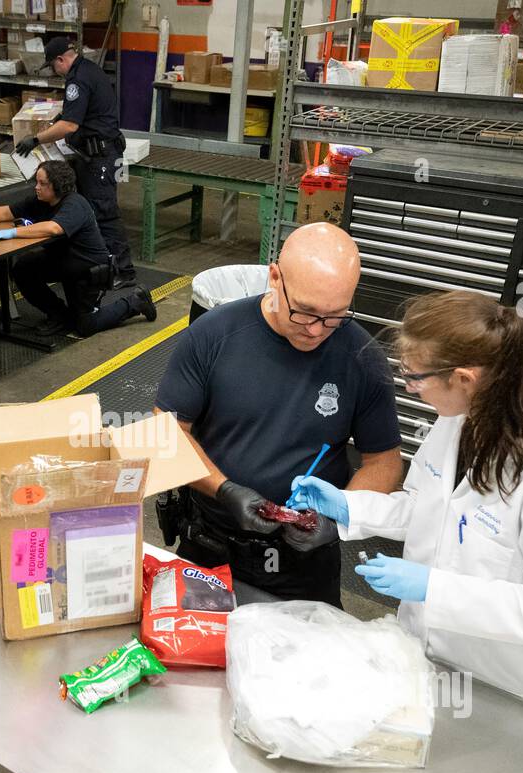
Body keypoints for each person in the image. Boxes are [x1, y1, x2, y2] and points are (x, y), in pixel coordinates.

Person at [290, 290, 523, 729]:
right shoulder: (456, 423)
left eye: (416, 378)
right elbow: (428, 511)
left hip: (520, 697)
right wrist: (348, 505)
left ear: (465, 379)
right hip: (434, 663)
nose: (410, 388)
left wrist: (435, 588)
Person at [154, 222, 403, 606]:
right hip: (211, 548)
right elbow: (165, 432)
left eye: (335, 316)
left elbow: (384, 462)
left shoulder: (361, 357)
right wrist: (225, 489)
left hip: (304, 562)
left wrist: (338, 520)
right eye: (305, 312)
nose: (318, 330)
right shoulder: (213, 336)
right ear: (275, 277)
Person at [15, 37, 136, 288]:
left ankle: (124, 271)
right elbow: (76, 113)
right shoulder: (88, 69)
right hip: (98, 154)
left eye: (53, 66)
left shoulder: (77, 79)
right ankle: (101, 266)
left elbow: (70, 125)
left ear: (61, 60)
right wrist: (59, 117)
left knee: (105, 213)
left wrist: (35, 139)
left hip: (100, 157)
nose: (55, 72)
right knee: (95, 210)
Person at [0, 160, 155, 338]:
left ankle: (136, 301)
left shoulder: (75, 204)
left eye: (43, 183)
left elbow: (54, 228)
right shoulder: (40, 200)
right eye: (36, 182)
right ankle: (60, 316)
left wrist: (13, 232)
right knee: (23, 268)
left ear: (58, 186)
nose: (37, 187)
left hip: (88, 271)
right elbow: (7, 212)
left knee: (86, 326)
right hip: (64, 262)